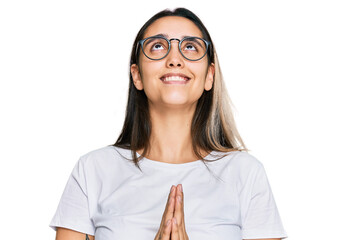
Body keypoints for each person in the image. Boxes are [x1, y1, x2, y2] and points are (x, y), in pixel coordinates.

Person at [49, 7, 287, 240]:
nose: (175, 59)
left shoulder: (246, 173)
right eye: (158, 46)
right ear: (137, 75)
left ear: (209, 76)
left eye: (191, 47)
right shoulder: (92, 171)